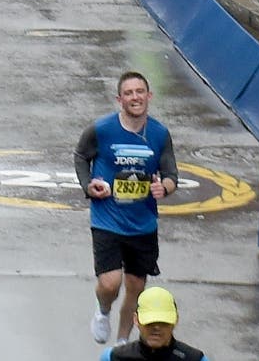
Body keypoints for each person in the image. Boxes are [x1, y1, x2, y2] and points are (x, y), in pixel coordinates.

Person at [77, 72, 179, 344]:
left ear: (149, 96)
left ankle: (122, 343)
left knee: (135, 287)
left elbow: (171, 174)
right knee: (110, 283)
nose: (135, 97)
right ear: (119, 99)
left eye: (140, 91)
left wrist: (164, 188)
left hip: (143, 224)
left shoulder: (159, 134)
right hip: (107, 219)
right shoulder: (102, 129)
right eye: (129, 93)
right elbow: (80, 156)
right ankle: (102, 310)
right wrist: (89, 185)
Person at [101, 287, 208, 361]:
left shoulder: (195, 359)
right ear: (136, 320)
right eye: (150, 322)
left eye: (163, 322)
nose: (156, 327)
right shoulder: (113, 358)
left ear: (176, 320)